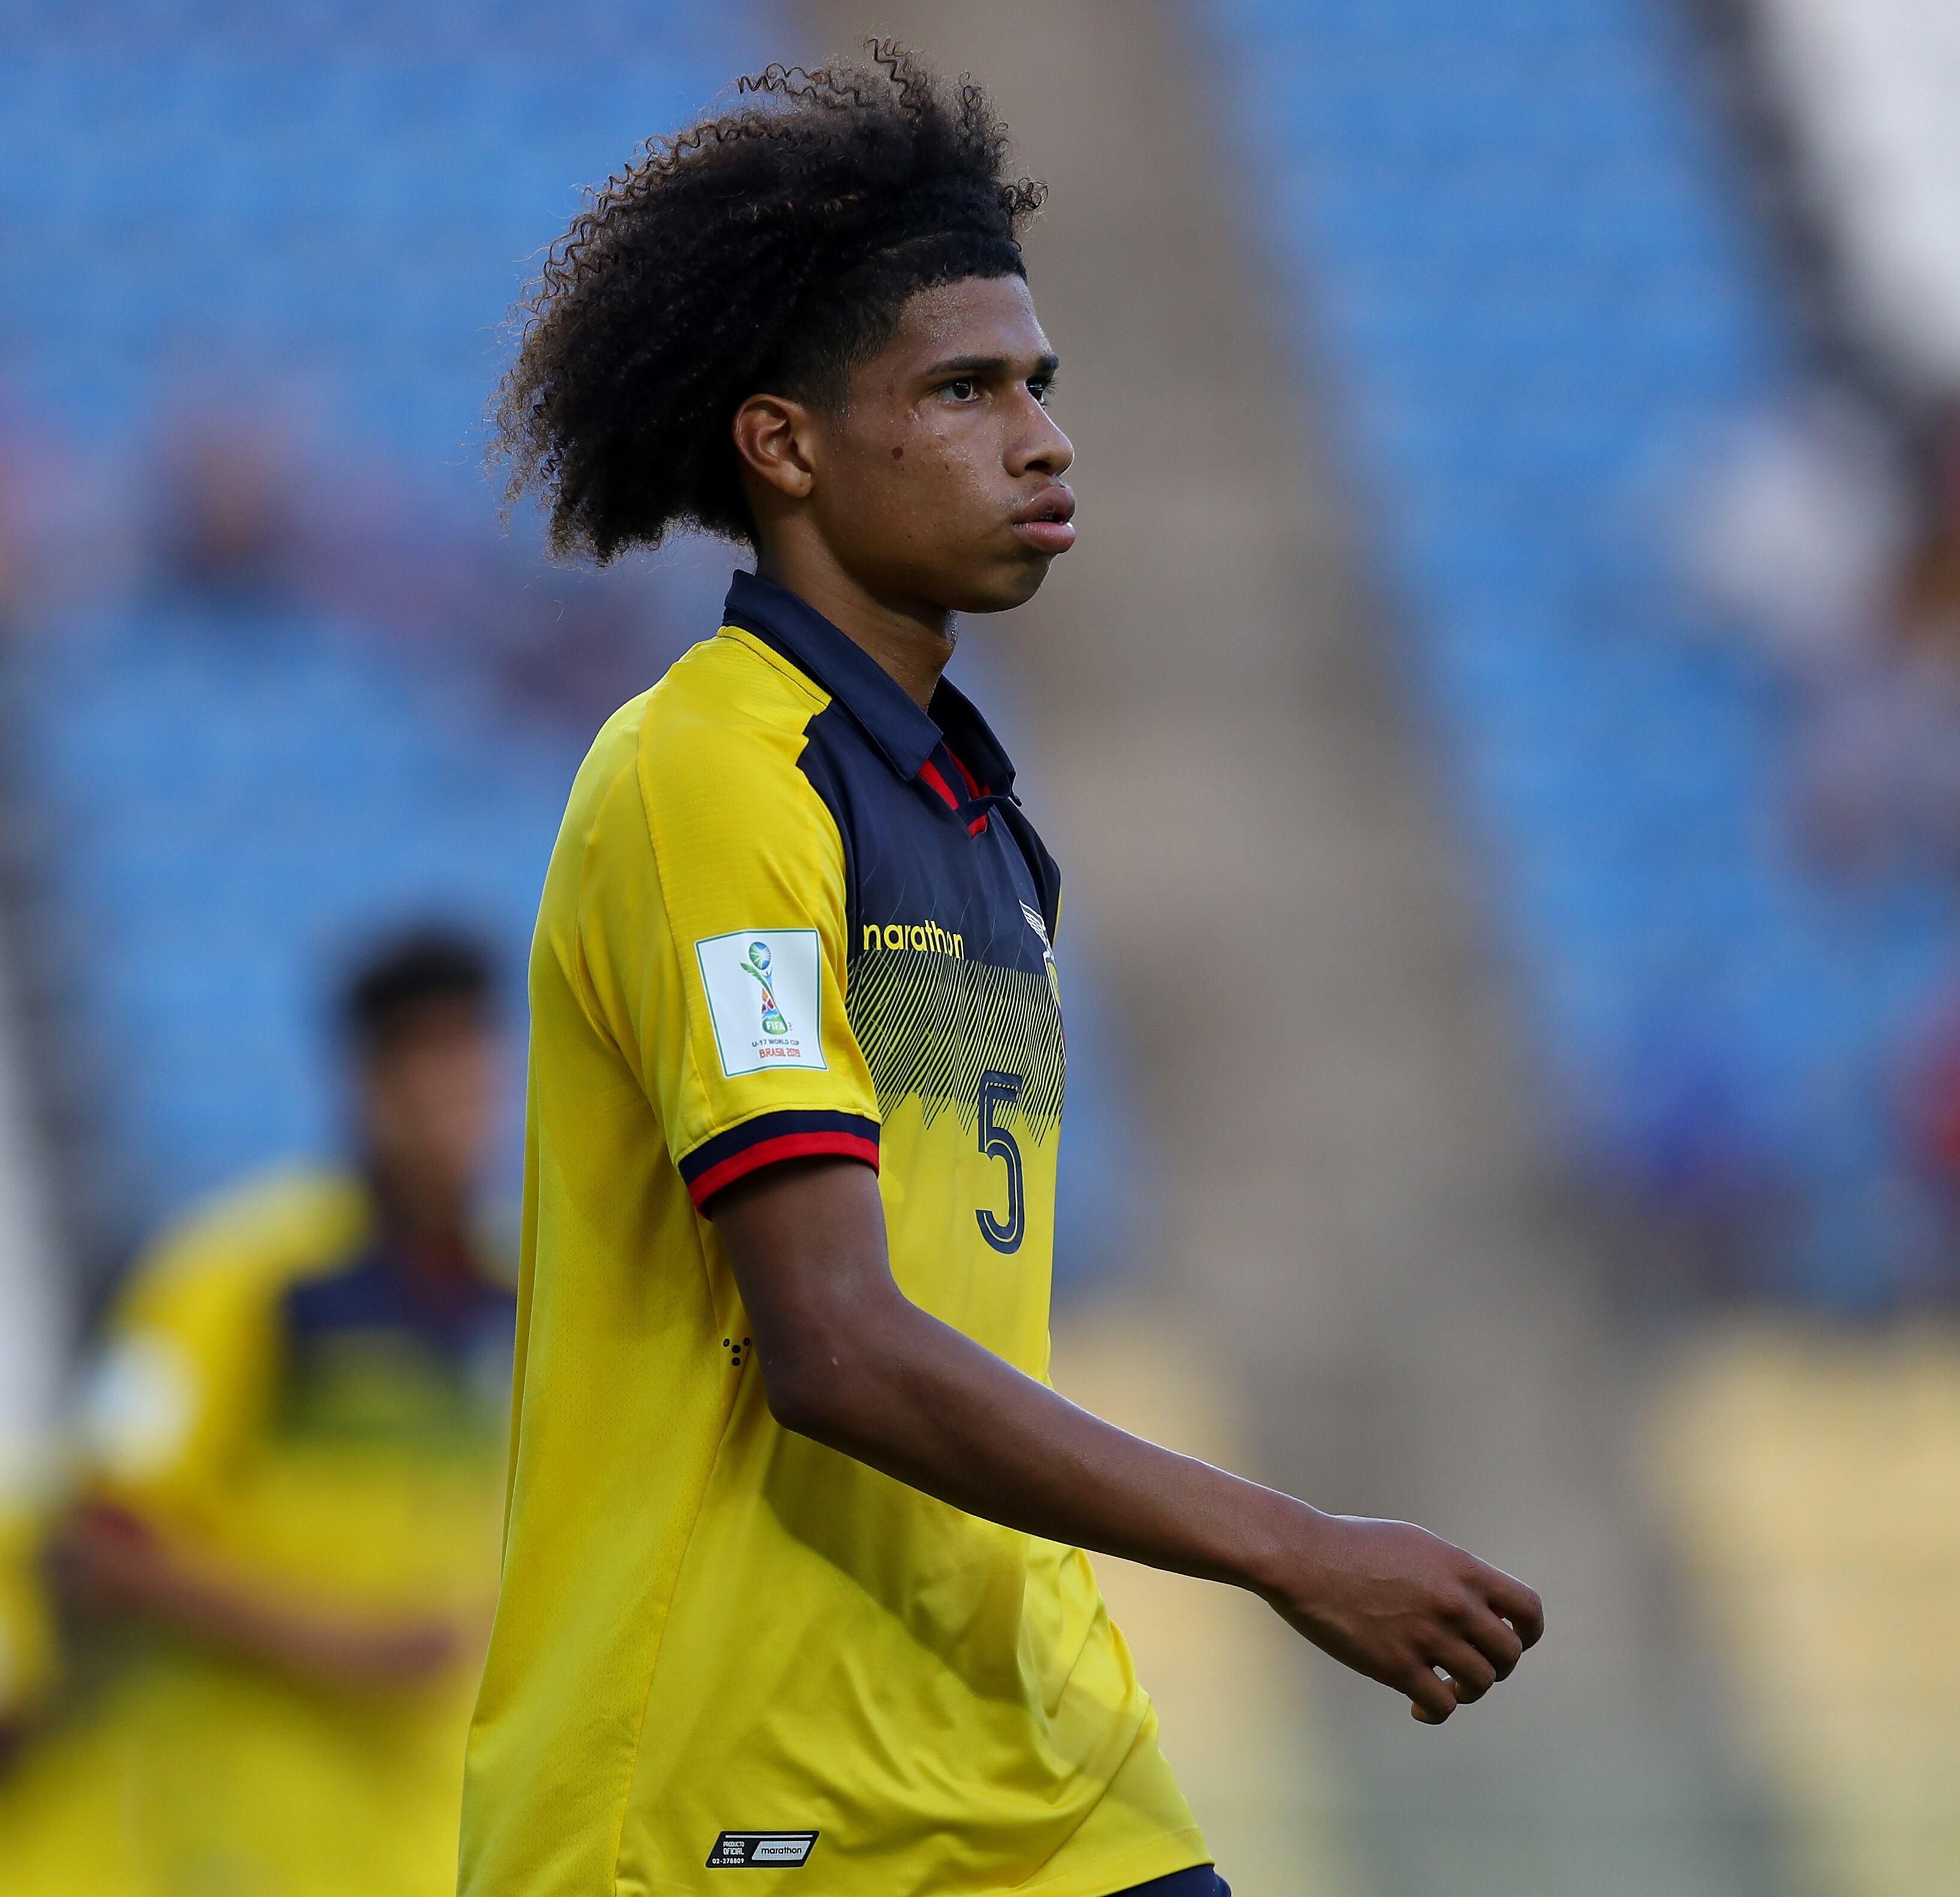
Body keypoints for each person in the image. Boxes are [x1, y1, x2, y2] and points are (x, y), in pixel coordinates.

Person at [463, 45, 1542, 1897]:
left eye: (1039, 385)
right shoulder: (709, 773)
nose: (1041, 438)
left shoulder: (967, 811)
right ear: (783, 445)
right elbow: (832, 1344)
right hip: (734, 1789)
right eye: (961, 390)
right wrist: (1286, 1543)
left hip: (1021, 1756)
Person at [0, 930, 516, 1897]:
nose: (459, 1108)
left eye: (475, 1071)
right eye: (429, 1072)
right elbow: (101, 1540)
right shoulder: (239, 1277)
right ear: (366, 1083)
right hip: (253, 1821)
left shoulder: (514, 1294)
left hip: (436, 1826)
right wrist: (343, 1644)